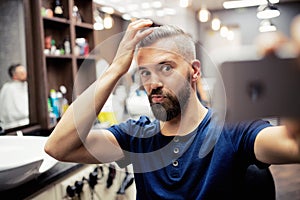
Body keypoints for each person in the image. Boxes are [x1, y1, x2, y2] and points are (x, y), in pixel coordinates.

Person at [45, 19, 300, 199]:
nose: (153, 83)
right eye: (145, 72)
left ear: (195, 71)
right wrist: (115, 70)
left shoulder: (232, 131)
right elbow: (58, 146)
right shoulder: (138, 137)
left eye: (166, 68)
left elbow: (294, 147)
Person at [0, 64, 29, 129]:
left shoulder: (26, 85)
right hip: (12, 126)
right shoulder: (8, 88)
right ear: (14, 76)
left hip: (27, 123)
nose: (25, 74)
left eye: (25, 72)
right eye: (22, 73)